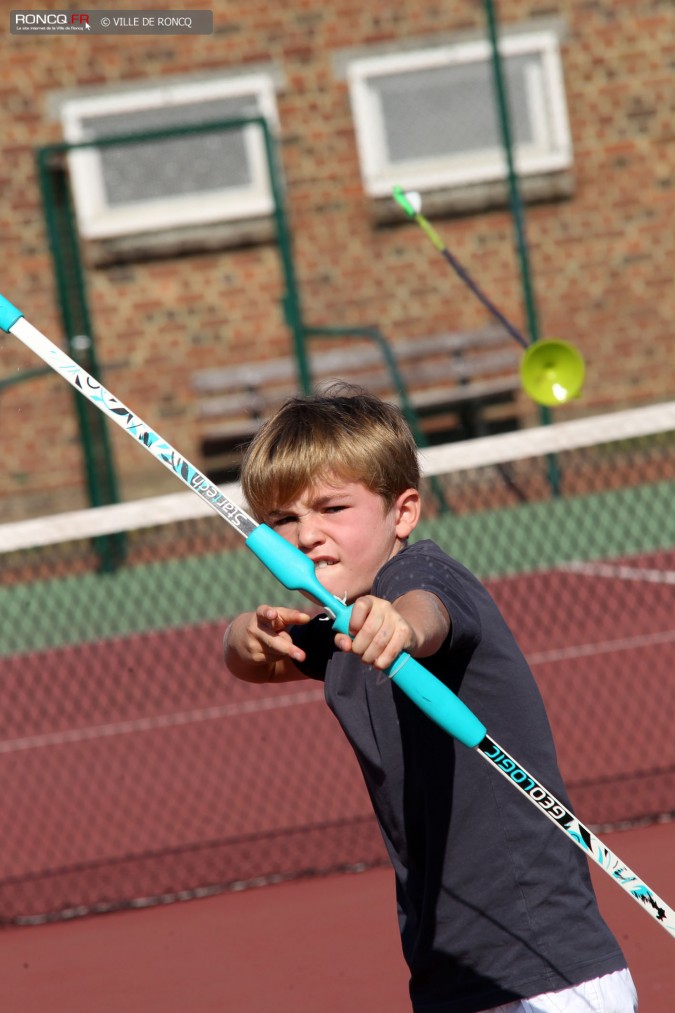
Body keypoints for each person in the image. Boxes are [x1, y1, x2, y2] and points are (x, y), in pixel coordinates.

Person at [223, 385, 637, 1013]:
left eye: (333, 507)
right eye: (283, 519)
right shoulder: (341, 628)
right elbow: (252, 658)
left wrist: (402, 627)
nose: (306, 535)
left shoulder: (422, 580)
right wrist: (244, 638)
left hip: (545, 972)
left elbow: (427, 615)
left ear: (404, 512)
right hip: (448, 970)